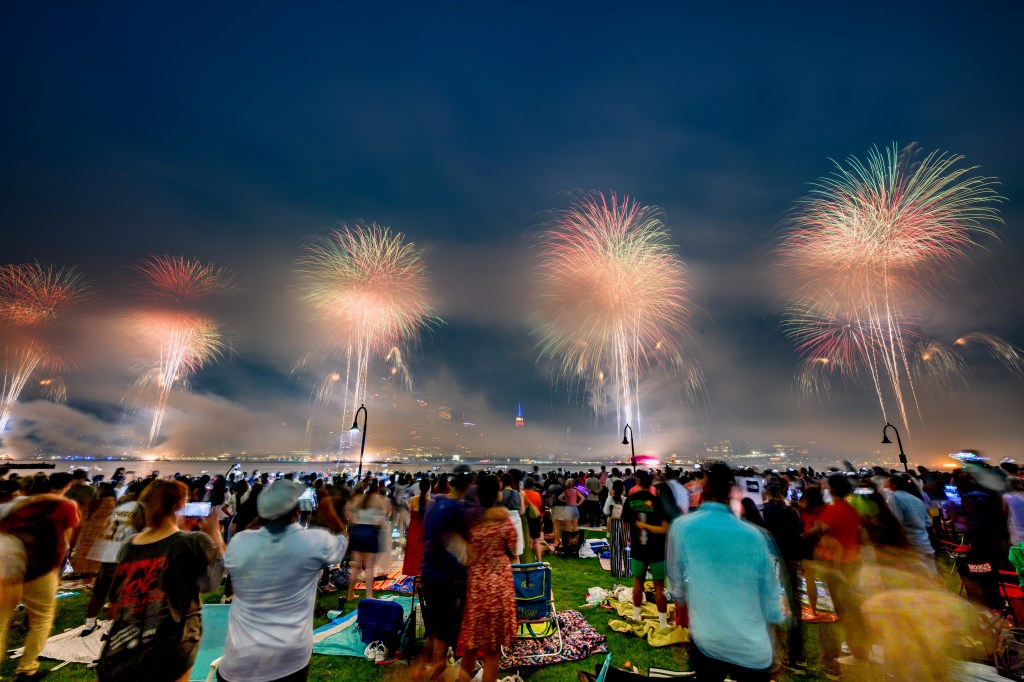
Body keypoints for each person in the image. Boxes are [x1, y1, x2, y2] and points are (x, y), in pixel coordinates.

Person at [218, 479, 347, 682]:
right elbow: (341, 541)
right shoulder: (313, 542)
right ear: (296, 511)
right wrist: (329, 512)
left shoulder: (239, 545)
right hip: (288, 659)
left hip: (239, 660)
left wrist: (265, 516)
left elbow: (247, 536)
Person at [667, 463, 786, 682]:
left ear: (704, 488)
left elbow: (675, 581)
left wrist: (683, 606)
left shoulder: (682, 527)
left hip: (708, 639)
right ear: (731, 492)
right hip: (752, 646)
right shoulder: (755, 536)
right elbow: (770, 592)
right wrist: (776, 635)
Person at [97, 479, 224, 682]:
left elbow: (116, 595)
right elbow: (211, 581)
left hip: (125, 642)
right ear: (181, 506)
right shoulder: (194, 541)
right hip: (173, 641)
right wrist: (214, 533)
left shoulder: (130, 544)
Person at [0, 474, 81, 680]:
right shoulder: (66, 505)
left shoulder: (15, 506)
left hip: (8, 568)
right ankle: (27, 668)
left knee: (1, 621)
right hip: (42, 569)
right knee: (41, 618)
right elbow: (67, 539)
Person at [458, 475, 517, 682]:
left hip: (477, 588)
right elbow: (512, 548)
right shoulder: (504, 520)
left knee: (470, 647)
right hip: (499, 587)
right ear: (497, 494)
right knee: (493, 652)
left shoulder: (470, 522)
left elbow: (463, 551)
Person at [418, 470, 471, 680]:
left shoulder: (434, 504)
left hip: (430, 572)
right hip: (447, 576)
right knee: (443, 627)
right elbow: (455, 542)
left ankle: (424, 664)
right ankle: (437, 665)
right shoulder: (456, 509)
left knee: (434, 623)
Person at [82, 481, 147, 635]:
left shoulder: (121, 507)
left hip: (108, 551)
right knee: (119, 595)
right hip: (124, 556)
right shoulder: (142, 509)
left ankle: (89, 625)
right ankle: (111, 628)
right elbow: (144, 531)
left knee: (99, 591)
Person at [761, 476, 805, 670]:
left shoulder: (764, 512)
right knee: (793, 609)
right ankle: (796, 656)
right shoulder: (791, 512)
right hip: (790, 562)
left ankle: (773, 656)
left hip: (772, 562)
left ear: (768, 491)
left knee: (771, 606)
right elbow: (798, 537)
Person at [621, 470, 670, 629]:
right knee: (659, 586)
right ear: (651, 484)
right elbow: (664, 529)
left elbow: (625, 524)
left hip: (638, 548)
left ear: (638, 483)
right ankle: (663, 622)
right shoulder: (658, 501)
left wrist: (631, 536)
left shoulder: (630, 500)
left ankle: (636, 615)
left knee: (637, 583)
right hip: (657, 549)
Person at [346, 478, 387, 603]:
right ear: (377, 488)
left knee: (356, 566)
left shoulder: (358, 499)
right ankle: (369, 595)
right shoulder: (378, 500)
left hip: (358, 531)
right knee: (369, 567)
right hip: (370, 531)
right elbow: (382, 519)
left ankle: (350, 594)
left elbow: (349, 513)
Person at [402, 477, 430, 576]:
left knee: (412, 551)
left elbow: (411, 513)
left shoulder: (413, 500)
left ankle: (411, 571)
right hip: (424, 529)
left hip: (413, 529)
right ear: (428, 488)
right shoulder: (430, 502)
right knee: (421, 552)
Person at [603, 479, 629, 578]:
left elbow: (606, 512)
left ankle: (617, 571)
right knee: (627, 548)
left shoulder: (610, 499)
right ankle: (628, 571)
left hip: (615, 524)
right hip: (625, 524)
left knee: (615, 549)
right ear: (623, 489)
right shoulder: (625, 500)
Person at [499, 473, 524, 564]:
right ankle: (517, 577)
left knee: (504, 553)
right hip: (517, 520)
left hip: (504, 522)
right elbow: (522, 511)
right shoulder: (517, 493)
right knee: (515, 554)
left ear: (502, 482)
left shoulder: (500, 494)